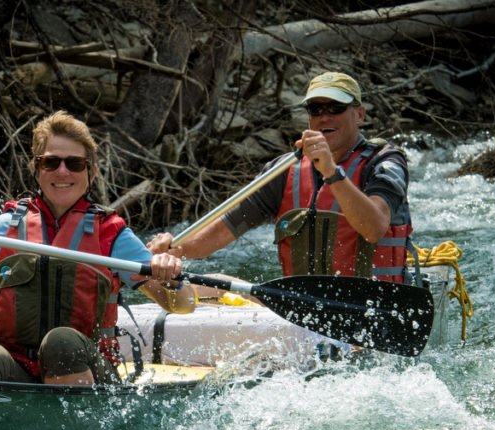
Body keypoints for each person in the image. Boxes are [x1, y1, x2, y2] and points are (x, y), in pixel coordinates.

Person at [0, 111, 196, 386]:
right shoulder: (6, 228)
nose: (63, 171)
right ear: (37, 170)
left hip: (90, 376)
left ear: (91, 171)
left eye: (74, 163)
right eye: (51, 162)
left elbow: (183, 305)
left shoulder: (112, 235)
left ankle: (71, 428)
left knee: (61, 342)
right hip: (19, 372)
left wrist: (172, 279)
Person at [149, 71, 414, 291]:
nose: (325, 117)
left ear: (359, 114)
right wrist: (175, 249)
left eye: (336, 108)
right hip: (303, 309)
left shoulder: (386, 161)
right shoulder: (285, 170)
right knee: (212, 284)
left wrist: (332, 172)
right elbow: (222, 230)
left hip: (374, 307)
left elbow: (375, 227)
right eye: (316, 109)